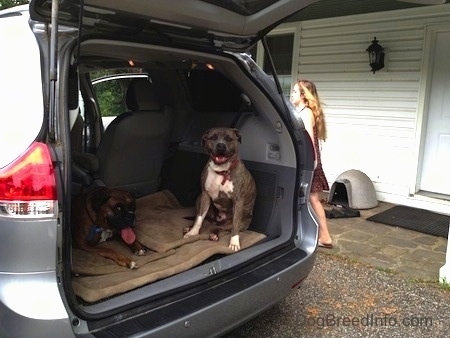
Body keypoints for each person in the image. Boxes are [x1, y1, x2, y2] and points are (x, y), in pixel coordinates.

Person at [290, 79, 333, 248]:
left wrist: (311, 163)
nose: (291, 95)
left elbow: (308, 140)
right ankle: (318, 234)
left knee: (313, 199)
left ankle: (325, 236)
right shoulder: (301, 110)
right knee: (310, 198)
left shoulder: (306, 112)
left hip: (310, 161)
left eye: (295, 92)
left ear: (303, 95)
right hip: (309, 160)